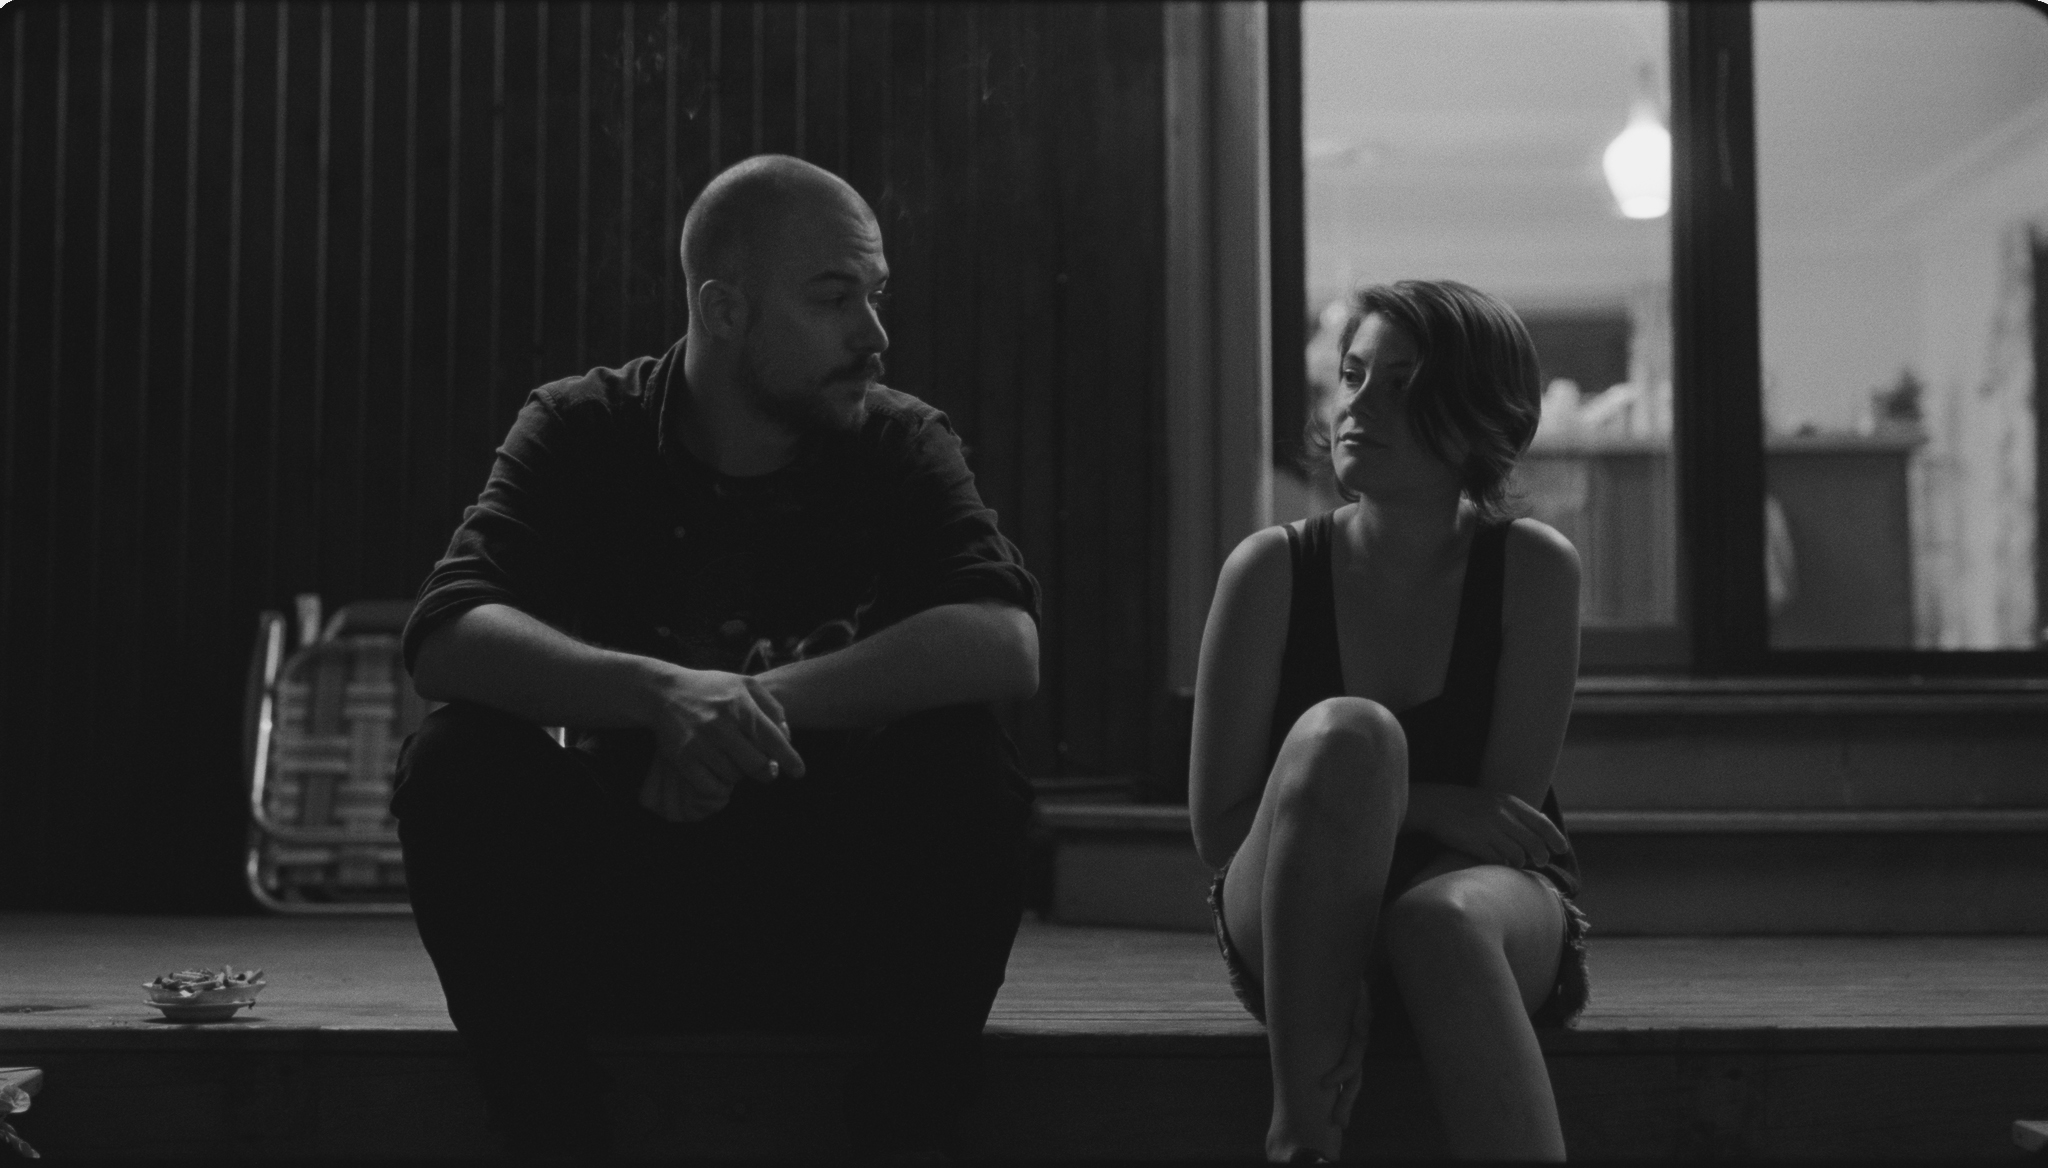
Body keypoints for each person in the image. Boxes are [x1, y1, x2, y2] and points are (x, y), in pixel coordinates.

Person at [390, 154, 1042, 1159]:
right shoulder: (581, 427)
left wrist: (739, 704)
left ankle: (899, 1138)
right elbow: (447, 633)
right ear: (724, 309)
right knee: (453, 762)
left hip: (832, 924)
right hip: (625, 916)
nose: (873, 333)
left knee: (967, 765)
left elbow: (1003, 639)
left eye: (875, 296)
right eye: (834, 298)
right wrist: (657, 695)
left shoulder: (900, 440)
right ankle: (555, 1139)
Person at [1189, 279, 1590, 1163]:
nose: (1359, 405)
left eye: (1402, 385)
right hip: (1293, 910)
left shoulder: (1533, 569)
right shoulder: (1268, 572)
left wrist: (1426, 836)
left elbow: (1504, 823)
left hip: (1479, 894)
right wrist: (1424, 801)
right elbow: (1220, 832)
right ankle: (1303, 1134)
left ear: (1478, 416)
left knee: (1438, 922)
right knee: (1348, 734)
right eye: (1353, 375)